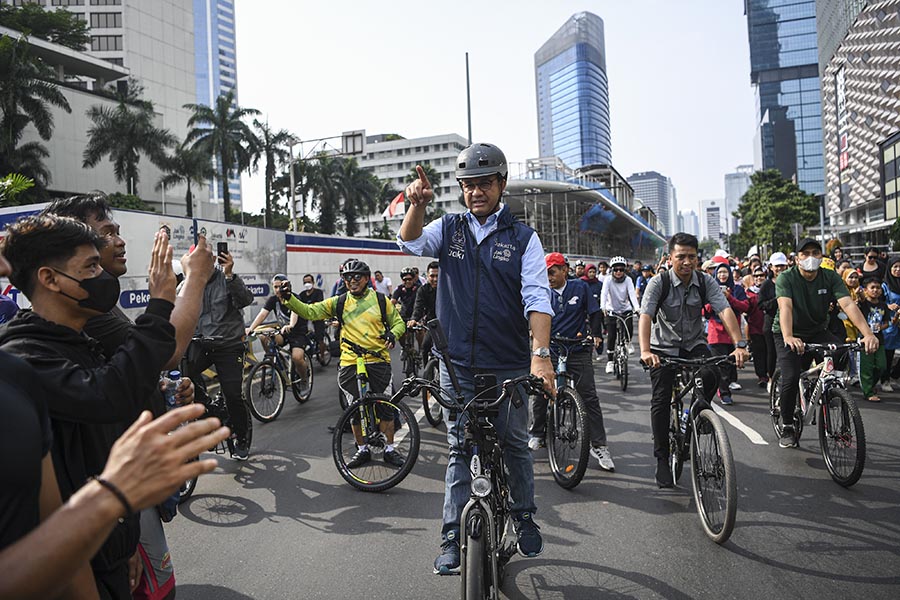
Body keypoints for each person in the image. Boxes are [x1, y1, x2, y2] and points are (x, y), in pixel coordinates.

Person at [0, 215, 181, 599]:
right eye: (91, 267)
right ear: (49, 279)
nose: (102, 276)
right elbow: (106, 396)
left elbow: (100, 448)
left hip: (106, 552)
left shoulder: (76, 341)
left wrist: (122, 541)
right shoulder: (24, 355)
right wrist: (162, 303)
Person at [42, 195, 213, 600]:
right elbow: (160, 350)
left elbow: (126, 372)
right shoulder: (39, 346)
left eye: (117, 231)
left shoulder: (93, 313)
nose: (119, 242)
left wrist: (161, 389)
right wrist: (193, 281)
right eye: (106, 234)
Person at [398, 142, 555, 574]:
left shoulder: (523, 239)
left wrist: (540, 357)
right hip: (457, 366)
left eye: (484, 183)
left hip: (507, 364)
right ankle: (451, 537)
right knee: (457, 449)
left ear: (501, 184)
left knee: (516, 446)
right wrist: (416, 204)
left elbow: (538, 298)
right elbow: (410, 243)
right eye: (468, 185)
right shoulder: (448, 228)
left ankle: (523, 515)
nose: (476, 192)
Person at [639, 232, 749, 488]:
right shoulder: (659, 283)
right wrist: (646, 352)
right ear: (670, 258)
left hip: (693, 344)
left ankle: (697, 417)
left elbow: (724, 310)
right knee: (661, 400)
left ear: (698, 258)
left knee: (712, 373)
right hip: (663, 348)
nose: (686, 262)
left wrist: (739, 344)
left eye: (691, 257)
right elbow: (645, 316)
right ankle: (662, 459)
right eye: (681, 257)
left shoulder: (705, 281)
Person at [278, 259, 406, 466]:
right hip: (350, 362)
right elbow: (310, 311)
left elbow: (399, 323)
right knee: (354, 409)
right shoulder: (339, 302)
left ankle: (390, 449)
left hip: (377, 359)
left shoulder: (381, 301)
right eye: (347, 277)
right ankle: (362, 448)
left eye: (356, 277)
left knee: (385, 408)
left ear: (366, 279)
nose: (352, 281)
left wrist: (393, 334)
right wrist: (288, 298)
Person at [774, 238, 878, 448]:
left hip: (818, 330)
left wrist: (867, 333)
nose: (810, 257)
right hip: (788, 332)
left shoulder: (829, 276)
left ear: (821, 256)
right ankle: (786, 425)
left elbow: (847, 303)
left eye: (815, 252)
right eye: (805, 254)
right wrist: (788, 336)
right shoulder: (787, 277)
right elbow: (785, 308)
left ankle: (829, 388)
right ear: (797, 258)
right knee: (791, 377)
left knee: (840, 351)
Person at [531, 252, 614, 471]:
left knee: (589, 396)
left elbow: (594, 313)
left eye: (552, 272)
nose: (549, 276)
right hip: (551, 349)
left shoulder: (581, 288)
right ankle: (538, 432)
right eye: (545, 273)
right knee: (541, 390)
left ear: (564, 270)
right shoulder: (541, 291)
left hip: (577, 347)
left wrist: (596, 335)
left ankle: (599, 445)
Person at [182, 245, 255, 461]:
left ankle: (241, 436)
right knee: (180, 377)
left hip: (230, 345)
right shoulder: (188, 283)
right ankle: (209, 410)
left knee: (232, 394)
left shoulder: (226, 278)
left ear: (213, 258)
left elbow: (245, 300)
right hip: (201, 344)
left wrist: (230, 274)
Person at [246, 274, 310, 391]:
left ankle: (304, 379)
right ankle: (277, 362)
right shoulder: (273, 300)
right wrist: (251, 328)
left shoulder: (294, 297)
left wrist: (290, 325)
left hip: (297, 333)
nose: (277, 290)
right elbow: (263, 314)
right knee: (264, 336)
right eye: (275, 287)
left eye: (279, 287)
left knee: (297, 357)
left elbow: (294, 313)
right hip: (283, 332)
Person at [704, 263, 750, 405]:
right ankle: (723, 392)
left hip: (733, 332)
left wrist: (729, 298)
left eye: (725, 272)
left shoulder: (737, 289)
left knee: (730, 363)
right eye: (719, 273)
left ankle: (725, 385)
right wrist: (715, 299)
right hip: (716, 333)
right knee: (721, 364)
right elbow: (705, 312)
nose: (722, 275)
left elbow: (745, 306)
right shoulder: (709, 289)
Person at [600, 256, 638, 374]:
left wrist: (637, 308)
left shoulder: (628, 280)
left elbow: (632, 295)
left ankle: (628, 342)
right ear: (612, 270)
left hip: (625, 309)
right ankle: (610, 362)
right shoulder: (608, 280)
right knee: (611, 336)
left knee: (628, 327)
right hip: (611, 310)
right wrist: (603, 307)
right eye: (616, 270)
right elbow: (604, 294)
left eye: (621, 270)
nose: (618, 272)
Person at [857, 276, 891, 402]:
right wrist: (859, 294)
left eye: (878, 288)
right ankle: (868, 392)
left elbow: (887, 323)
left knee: (881, 366)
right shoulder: (864, 304)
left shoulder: (883, 306)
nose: (875, 290)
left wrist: (880, 327)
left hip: (879, 340)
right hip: (865, 340)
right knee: (867, 367)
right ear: (866, 290)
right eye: (872, 288)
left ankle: (871, 385)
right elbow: (860, 299)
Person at [409, 261, 439, 358]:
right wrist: (414, 319)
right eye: (432, 276)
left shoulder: (448, 288)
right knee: (425, 347)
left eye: (438, 276)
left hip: (448, 325)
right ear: (427, 276)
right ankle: (428, 372)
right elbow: (418, 306)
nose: (435, 279)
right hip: (432, 324)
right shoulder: (423, 290)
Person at [746, 268, 769, 388]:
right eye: (756, 276)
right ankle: (762, 376)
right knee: (758, 353)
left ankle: (770, 375)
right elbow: (744, 307)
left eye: (761, 275)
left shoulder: (772, 289)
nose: (759, 278)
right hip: (755, 328)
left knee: (769, 353)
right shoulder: (749, 293)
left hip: (770, 328)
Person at [879, 258, 900, 389]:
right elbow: (877, 303)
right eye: (895, 267)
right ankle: (885, 379)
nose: (898, 270)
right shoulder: (885, 286)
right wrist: (888, 306)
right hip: (891, 324)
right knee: (889, 353)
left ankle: (895, 374)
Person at [298, 273, 327, 358]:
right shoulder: (302, 294)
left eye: (309, 282)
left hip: (317, 318)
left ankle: (322, 356)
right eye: (305, 282)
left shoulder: (318, 292)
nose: (307, 284)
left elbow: (318, 303)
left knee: (319, 338)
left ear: (313, 282)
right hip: (306, 319)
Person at [581, 263, 604, 356]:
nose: (592, 274)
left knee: (597, 330)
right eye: (590, 272)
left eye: (594, 272)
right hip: (583, 311)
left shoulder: (599, 284)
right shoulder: (581, 283)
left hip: (596, 311)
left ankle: (599, 350)